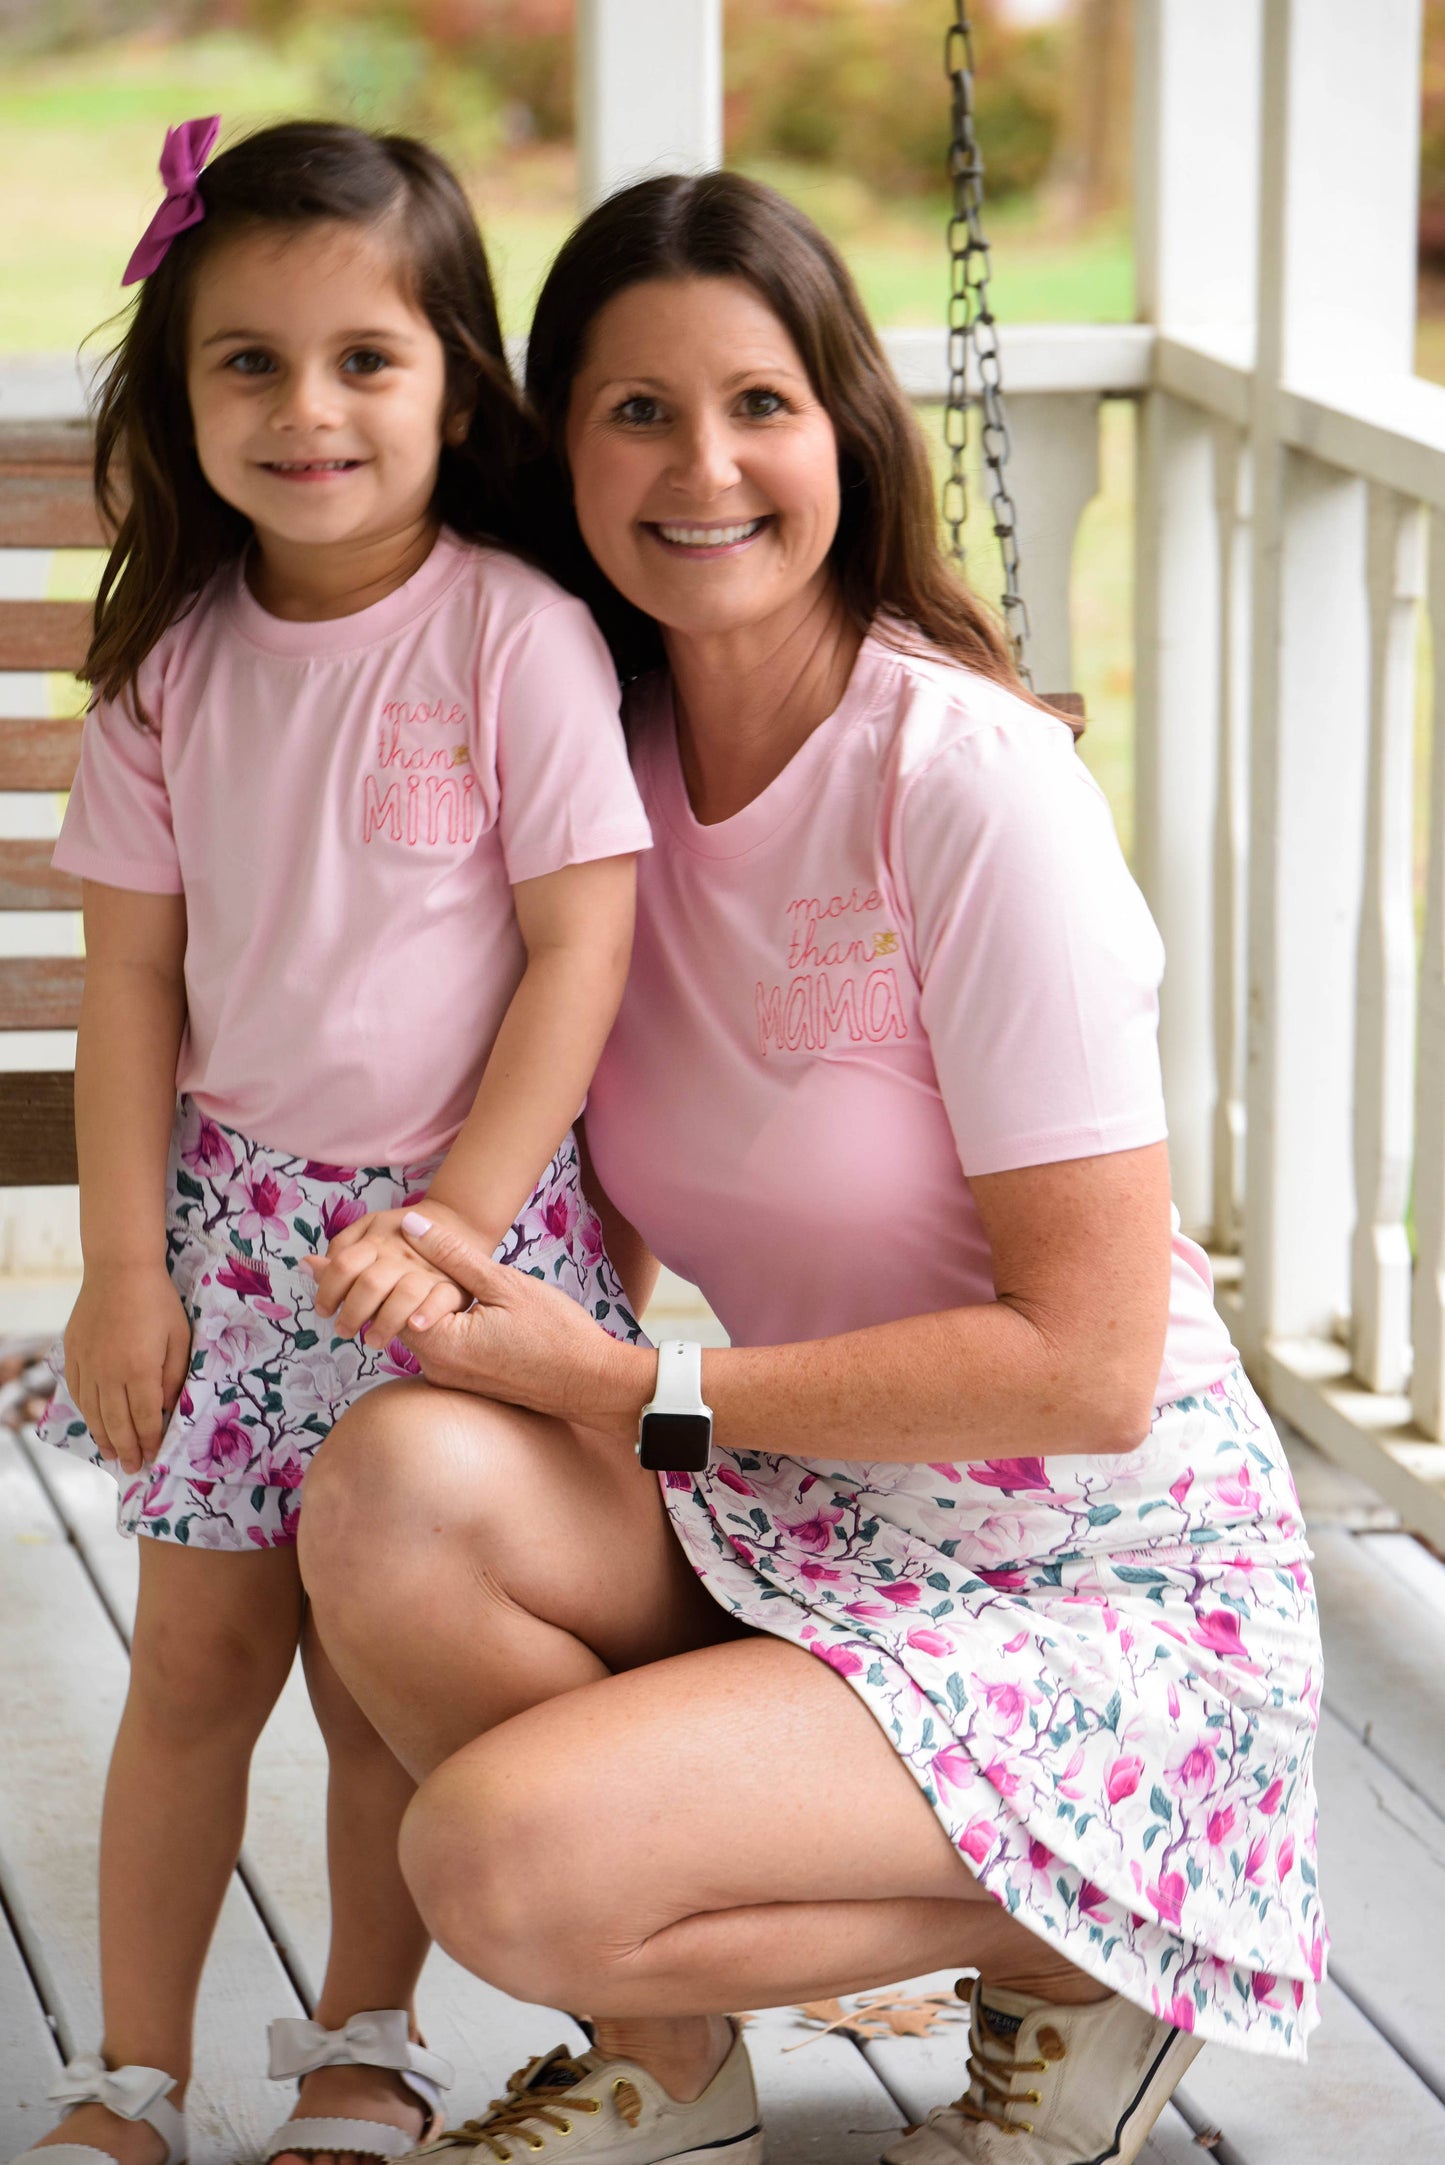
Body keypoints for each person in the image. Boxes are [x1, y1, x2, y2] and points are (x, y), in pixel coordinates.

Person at [298, 172, 1326, 2165]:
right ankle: (671, 2079)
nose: (705, 467)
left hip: (1098, 1596)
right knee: (395, 1487)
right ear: (561, 449)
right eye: (636, 411)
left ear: (847, 427)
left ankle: (1120, 1943)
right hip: (815, 1526)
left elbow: (1093, 1368)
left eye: (759, 403)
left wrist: (640, 1400)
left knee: (496, 1866)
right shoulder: (596, 768)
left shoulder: (967, 784)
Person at [18, 119, 651, 2165]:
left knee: (385, 1667)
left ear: (455, 381)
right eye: (248, 363)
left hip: (465, 1247)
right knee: (196, 1659)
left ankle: (367, 2044)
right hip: (238, 1238)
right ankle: (126, 2077)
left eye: (364, 359)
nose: (309, 411)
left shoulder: (506, 635)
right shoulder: (171, 678)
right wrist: (126, 1268)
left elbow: (581, 948)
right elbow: (128, 989)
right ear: (179, 392)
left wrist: (461, 1219)